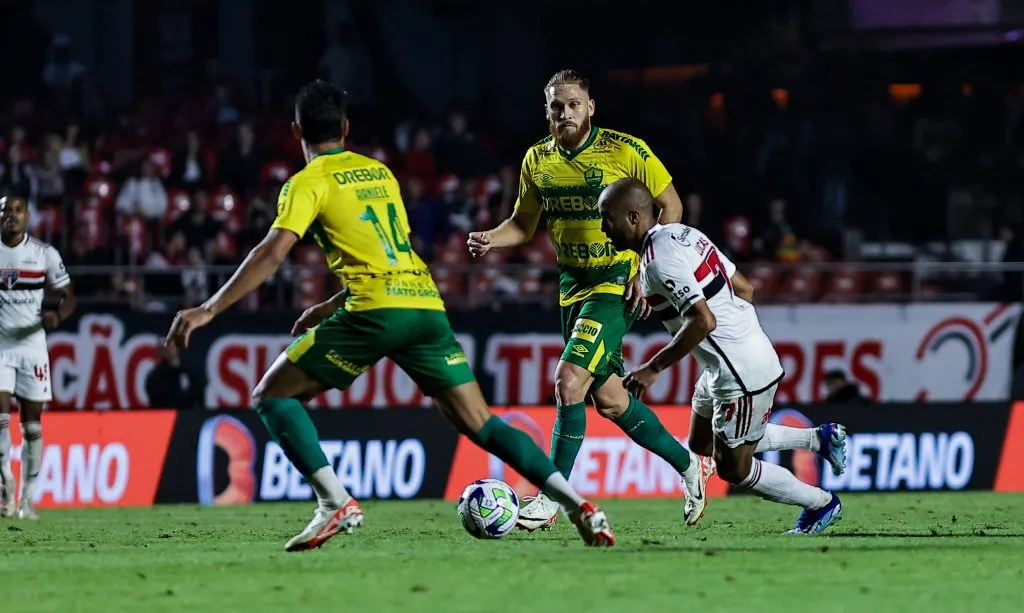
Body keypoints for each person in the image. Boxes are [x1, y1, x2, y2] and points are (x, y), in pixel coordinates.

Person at [164, 80, 616, 551]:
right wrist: (328, 305)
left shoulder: (306, 183)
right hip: (424, 304)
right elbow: (390, 254)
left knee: (271, 397)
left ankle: (333, 502)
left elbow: (273, 252)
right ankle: (576, 504)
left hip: (376, 310)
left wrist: (209, 308)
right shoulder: (379, 173)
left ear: (296, 129)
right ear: (345, 127)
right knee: (482, 423)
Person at [468, 69, 713, 530]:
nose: (565, 113)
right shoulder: (536, 160)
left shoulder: (626, 150)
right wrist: (490, 239)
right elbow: (523, 225)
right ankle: (689, 464)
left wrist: (646, 267)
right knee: (612, 401)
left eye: (573, 104)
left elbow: (672, 207)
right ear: (547, 111)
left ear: (591, 107)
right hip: (572, 288)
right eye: (556, 106)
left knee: (568, 382)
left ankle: (551, 494)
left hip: (616, 282)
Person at [598, 178, 845, 535]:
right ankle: (821, 439)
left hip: (740, 373)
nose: (604, 228)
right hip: (725, 364)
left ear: (634, 217)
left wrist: (654, 368)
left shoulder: (657, 263)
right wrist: (739, 335)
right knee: (701, 443)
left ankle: (821, 503)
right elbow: (745, 288)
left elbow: (704, 320)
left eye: (608, 218)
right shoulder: (682, 234)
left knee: (734, 468)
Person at [0, 194, 76, 519]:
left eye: (17, 211)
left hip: (32, 348)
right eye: (5, 211)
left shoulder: (44, 254)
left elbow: (68, 296)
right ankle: (6, 483)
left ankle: (28, 497)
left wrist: (57, 317)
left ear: (27, 216)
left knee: (32, 427)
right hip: (0, 347)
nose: (11, 216)